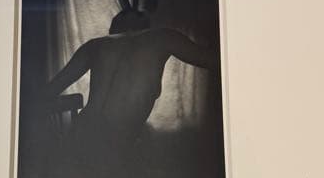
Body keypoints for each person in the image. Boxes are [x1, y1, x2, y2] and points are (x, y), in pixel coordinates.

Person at [45, 8, 216, 145]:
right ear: (147, 27)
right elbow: (215, 60)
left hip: (79, 138)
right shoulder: (163, 37)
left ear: (112, 28)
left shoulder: (94, 45)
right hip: (115, 147)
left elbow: (50, 91)